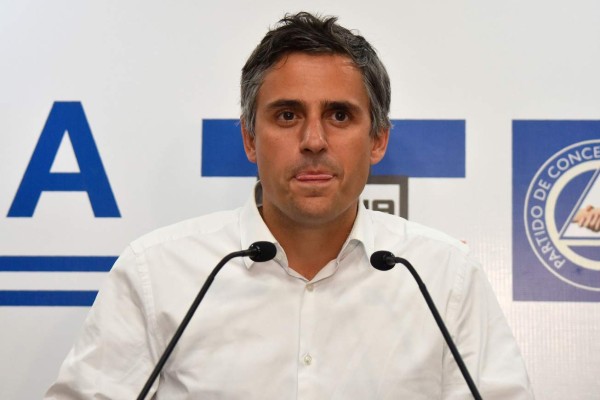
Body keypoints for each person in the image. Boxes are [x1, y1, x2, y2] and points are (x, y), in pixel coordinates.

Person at [45, 12, 534, 399]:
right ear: (250, 140)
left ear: (379, 140)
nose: (314, 140)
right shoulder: (157, 272)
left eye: (339, 115)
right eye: (287, 115)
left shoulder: (443, 276)